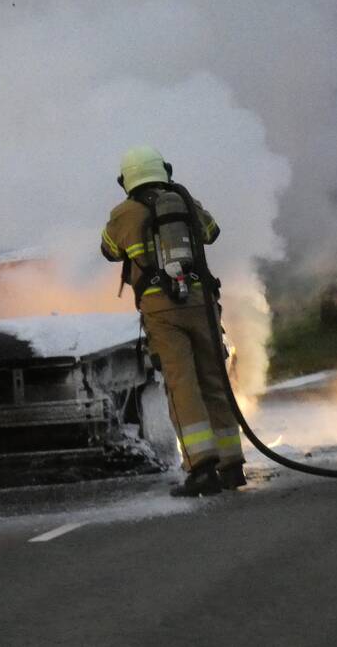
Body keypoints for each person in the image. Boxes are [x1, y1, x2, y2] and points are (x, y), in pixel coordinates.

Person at [100, 145, 245, 497]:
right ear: (164, 170)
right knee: (214, 379)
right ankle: (232, 464)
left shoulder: (124, 213)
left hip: (161, 308)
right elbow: (212, 231)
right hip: (203, 303)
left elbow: (108, 250)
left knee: (182, 383)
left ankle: (201, 467)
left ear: (126, 180)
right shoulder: (185, 201)